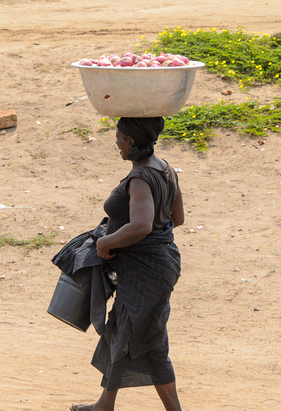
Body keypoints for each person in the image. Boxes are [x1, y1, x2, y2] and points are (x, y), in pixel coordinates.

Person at [71, 116, 185, 411]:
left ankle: (106, 407)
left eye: (119, 137)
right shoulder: (165, 169)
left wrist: (105, 242)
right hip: (162, 265)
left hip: (146, 270)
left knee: (129, 332)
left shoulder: (139, 178)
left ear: (131, 141)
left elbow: (141, 226)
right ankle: (104, 406)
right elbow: (179, 218)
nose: (116, 143)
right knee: (145, 334)